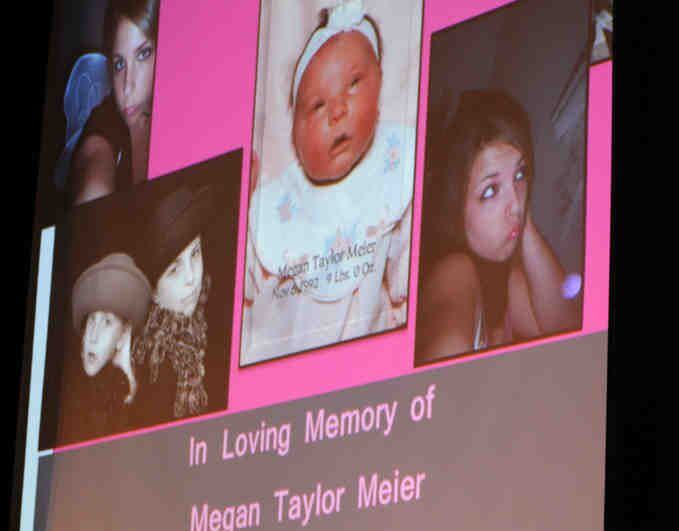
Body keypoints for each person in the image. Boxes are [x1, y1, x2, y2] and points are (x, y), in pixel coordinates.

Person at [242, 0, 412, 363]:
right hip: (275, 367)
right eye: (317, 106)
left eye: (353, 84)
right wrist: (240, 211)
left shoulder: (389, 172)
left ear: (379, 94)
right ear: (295, 138)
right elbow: (244, 282)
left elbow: (406, 278)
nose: (337, 111)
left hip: (362, 369)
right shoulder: (281, 203)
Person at [415, 90, 580, 364]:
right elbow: (443, 351)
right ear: (454, 206)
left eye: (520, 174)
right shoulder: (453, 271)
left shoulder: (500, 276)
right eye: (490, 190)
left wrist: (524, 223)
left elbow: (566, 325)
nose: (515, 204)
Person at [133, 185, 215, 421]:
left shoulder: (202, 315)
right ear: (153, 292)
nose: (191, 277)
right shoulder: (156, 365)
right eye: (174, 269)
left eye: (195, 253)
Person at [69, 0, 159, 205]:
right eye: (119, 64)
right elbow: (95, 178)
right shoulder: (105, 123)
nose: (127, 86)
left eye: (143, 54)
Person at [63, 252, 151, 441]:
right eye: (92, 320)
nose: (93, 336)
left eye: (107, 322)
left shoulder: (133, 399)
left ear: (123, 336)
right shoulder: (68, 399)